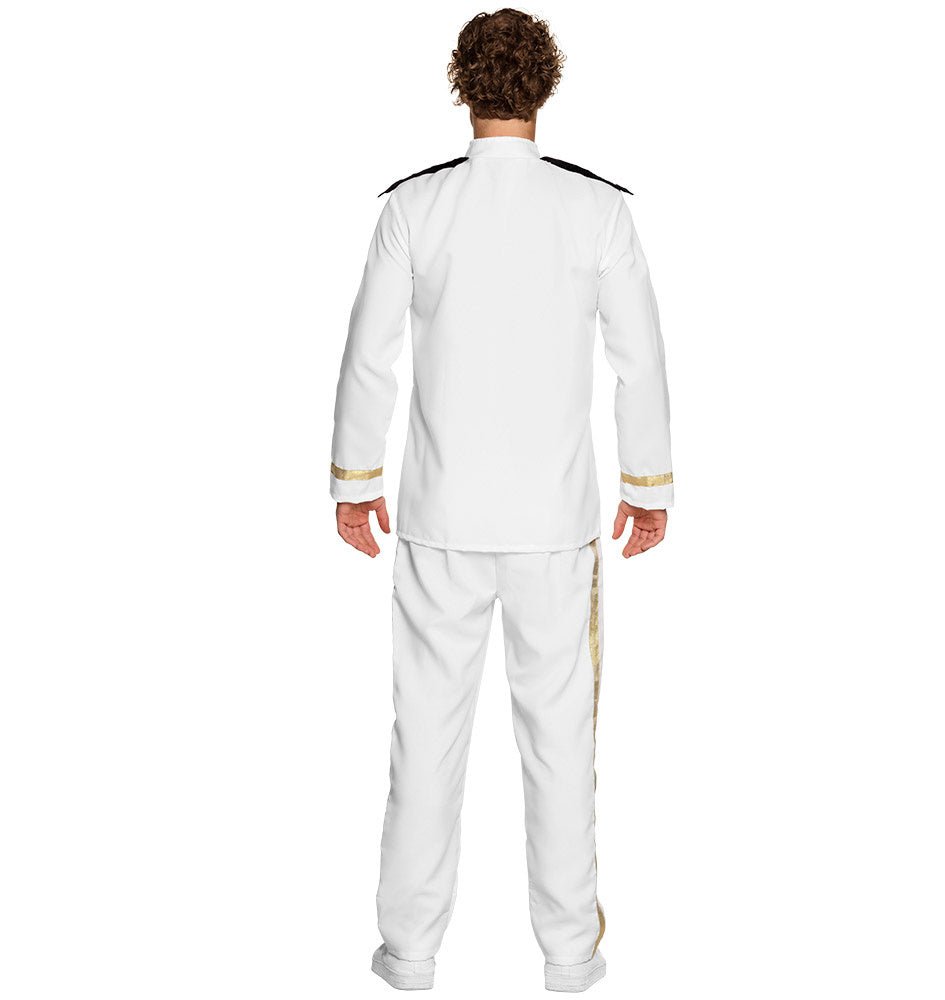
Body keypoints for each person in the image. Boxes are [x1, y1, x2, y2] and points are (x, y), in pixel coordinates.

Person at [330, 9, 672, 992]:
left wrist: (355, 482)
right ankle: (569, 955)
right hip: (554, 529)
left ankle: (408, 954)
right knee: (561, 746)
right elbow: (639, 360)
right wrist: (647, 483)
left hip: (438, 519)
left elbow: (369, 356)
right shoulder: (595, 210)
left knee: (424, 743)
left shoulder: (413, 207)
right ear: (545, 85)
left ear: (461, 83)